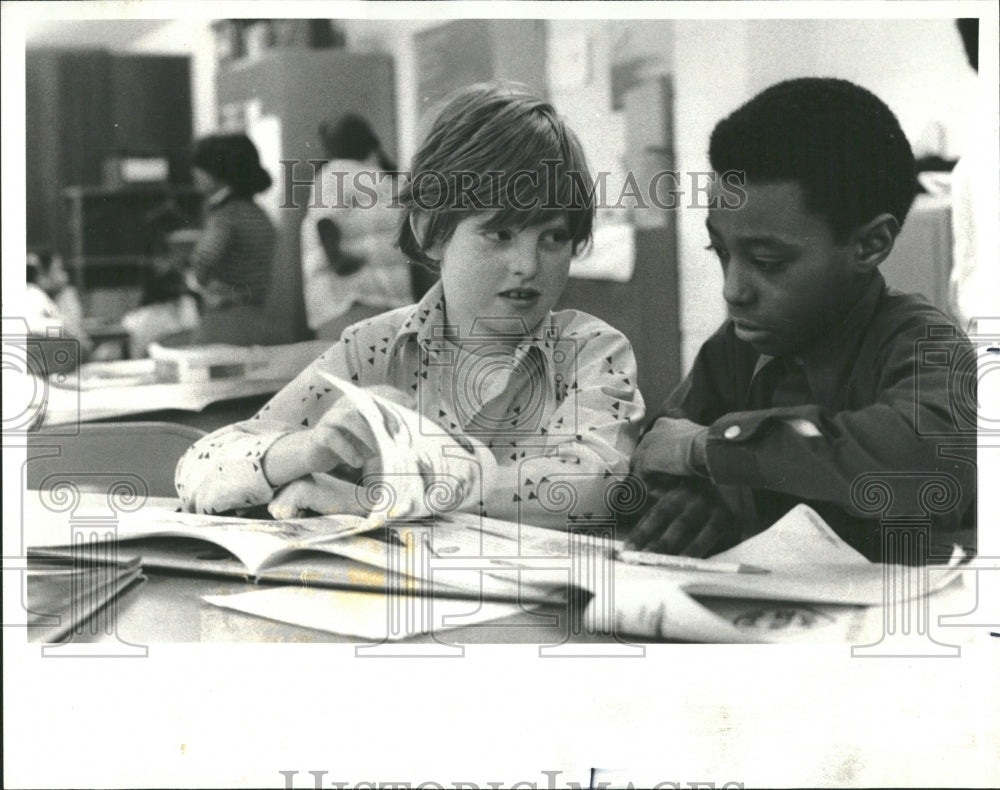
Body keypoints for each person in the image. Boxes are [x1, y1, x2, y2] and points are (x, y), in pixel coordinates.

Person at [176, 82, 645, 527]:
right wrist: (309, 449)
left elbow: (593, 486)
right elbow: (199, 467)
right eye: (499, 233)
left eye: (553, 237)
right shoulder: (371, 349)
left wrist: (382, 501)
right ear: (430, 231)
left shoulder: (593, 352)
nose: (527, 264)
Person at [627, 77, 976, 563]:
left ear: (870, 244)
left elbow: (921, 467)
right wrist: (704, 497)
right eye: (720, 251)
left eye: (768, 262)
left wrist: (713, 450)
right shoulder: (739, 347)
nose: (733, 290)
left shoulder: (924, 342)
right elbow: (659, 449)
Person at [300, 114, 413, 340]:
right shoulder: (389, 181)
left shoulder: (334, 173)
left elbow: (325, 219)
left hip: (349, 299)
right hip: (392, 297)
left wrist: (337, 260)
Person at [186, 133, 276, 345]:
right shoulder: (258, 213)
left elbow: (204, 260)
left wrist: (197, 281)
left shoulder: (227, 215)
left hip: (223, 321)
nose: (194, 173)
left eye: (200, 166)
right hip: (254, 318)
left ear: (217, 172)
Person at [25, 248, 94, 365]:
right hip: (32, 357)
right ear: (42, 274)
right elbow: (32, 328)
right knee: (79, 348)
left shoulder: (51, 297)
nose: (65, 276)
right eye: (59, 269)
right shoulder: (32, 294)